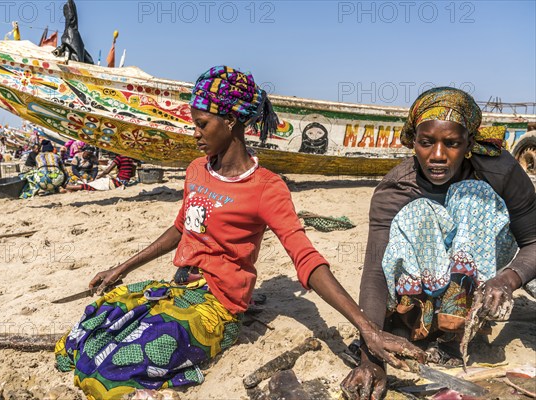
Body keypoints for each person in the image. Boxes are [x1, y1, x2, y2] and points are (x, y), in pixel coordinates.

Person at [55, 66, 425, 399]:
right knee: (85, 336)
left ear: (231, 121)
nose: (194, 132)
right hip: (179, 287)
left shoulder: (267, 188)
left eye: (202, 124)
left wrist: (366, 327)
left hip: (217, 306)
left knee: (114, 369)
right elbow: (182, 228)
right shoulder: (197, 170)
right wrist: (122, 268)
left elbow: (306, 258)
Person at [341, 87, 536, 400]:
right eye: (426, 142)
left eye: (453, 143)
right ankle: (413, 325)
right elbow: (376, 273)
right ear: (412, 141)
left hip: (478, 285)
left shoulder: (501, 171)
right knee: (418, 213)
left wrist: (507, 278)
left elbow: (533, 241)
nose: (438, 156)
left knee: (476, 198)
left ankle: (452, 334)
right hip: (419, 295)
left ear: (469, 143)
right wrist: (370, 358)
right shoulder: (395, 190)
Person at [65, 153, 139, 191]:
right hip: (126, 181)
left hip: (119, 181)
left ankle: (69, 187)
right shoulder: (130, 158)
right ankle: (72, 188)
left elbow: (107, 170)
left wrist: (99, 176)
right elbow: (132, 174)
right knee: (95, 184)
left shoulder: (120, 157)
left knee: (94, 185)